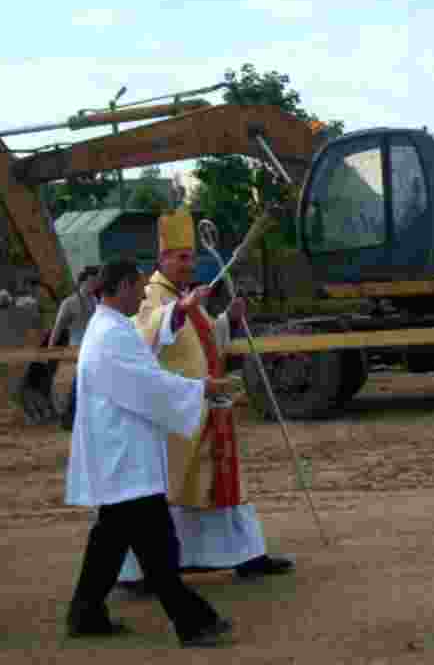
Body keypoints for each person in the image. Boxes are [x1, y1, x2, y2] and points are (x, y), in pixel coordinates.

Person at [117, 208, 294, 595]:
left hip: (206, 407)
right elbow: (146, 335)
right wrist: (178, 311)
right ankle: (144, 571)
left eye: (191, 257)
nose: (188, 264)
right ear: (162, 259)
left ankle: (248, 555)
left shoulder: (183, 295)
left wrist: (227, 319)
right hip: (174, 415)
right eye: (181, 257)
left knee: (224, 484)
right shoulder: (152, 296)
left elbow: (204, 339)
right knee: (169, 495)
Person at [65, 258, 234, 647]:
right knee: (158, 547)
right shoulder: (110, 333)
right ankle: (193, 621)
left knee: (109, 543)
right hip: (126, 457)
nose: (143, 295)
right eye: (138, 288)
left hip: (121, 454)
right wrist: (201, 389)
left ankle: (85, 613)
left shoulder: (108, 328)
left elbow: (145, 377)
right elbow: (147, 384)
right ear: (122, 286)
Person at [51, 266, 101, 430]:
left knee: (86, 382)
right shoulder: (69, 303)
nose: (96, 284)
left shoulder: (95, 301)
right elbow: (58, 327)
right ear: (85, 281)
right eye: (94, 280)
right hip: (77, 347)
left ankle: (76, 416)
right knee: (80, 381)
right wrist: (51, 347)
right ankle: (68, 417)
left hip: (93, 347)